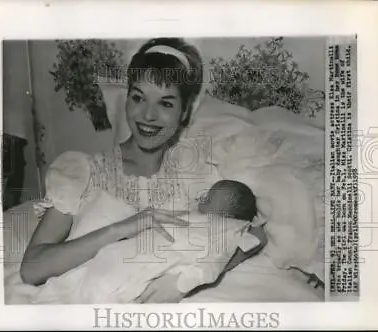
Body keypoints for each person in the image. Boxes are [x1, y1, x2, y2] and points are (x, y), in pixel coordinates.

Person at [20, 37, 267, 303]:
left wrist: (184, 282)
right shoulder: (85, 171)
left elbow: (253, 234)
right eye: (138, 97)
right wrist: (122, 229)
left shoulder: (197, 174)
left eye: (166, 103)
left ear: (184, 114)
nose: (148, 115)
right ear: (126, 99)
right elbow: (31, 269)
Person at [29, 179, 262, 304]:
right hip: (123, 250)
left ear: (228, 215)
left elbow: (212, 264)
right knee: (102, 266)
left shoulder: (227, 228)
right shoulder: (191, 211)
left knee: (115, 285)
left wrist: (181, 284)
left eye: (209, 198)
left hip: (156, 263)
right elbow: (30, 271)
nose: (202, 199)